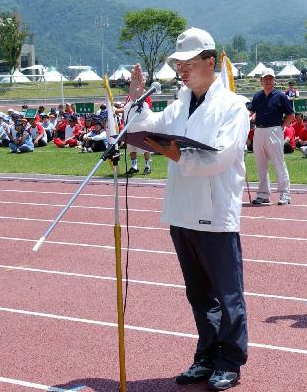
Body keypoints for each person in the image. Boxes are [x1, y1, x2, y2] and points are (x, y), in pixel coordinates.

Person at [122, 27, 250, 390]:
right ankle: (206, 355)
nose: (182, 70)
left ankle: (230, 360)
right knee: (198, 294)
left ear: (210, 62)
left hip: (216, 213)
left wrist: (173, 152)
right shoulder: (179, 104)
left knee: (227, 294)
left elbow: (220, 157)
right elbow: (145, 126)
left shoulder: (233, 107)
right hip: (181, 212)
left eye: (189, 63)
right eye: (178, 64)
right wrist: (136, 97)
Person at [249, 68, 294, 206]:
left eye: (270, 78)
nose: (268, 81)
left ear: (274, 80)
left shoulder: (281, 96)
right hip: (259, 131)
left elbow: (290, 114)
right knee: (261, 164)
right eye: (265, 79)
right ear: (261, 81)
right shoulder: (257, 96)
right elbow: (250, 111)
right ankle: (263, 194)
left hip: (274, 130)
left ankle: (285, 194)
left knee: (278, 163)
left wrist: (281, 127)